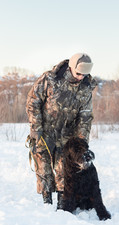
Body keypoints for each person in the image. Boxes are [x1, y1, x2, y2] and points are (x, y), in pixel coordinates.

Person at [26, 53, 97, 208]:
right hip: (44, 132)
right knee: (44, 169)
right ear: (71, 68)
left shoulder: (86, 88)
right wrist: (36, 129)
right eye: (78, 73)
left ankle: (62, 204)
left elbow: (85, 116)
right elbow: (33, 102)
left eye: (84, 74)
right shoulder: (50, 79)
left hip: (67, 136)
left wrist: (81, 142)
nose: (81, 77)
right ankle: (46, 203)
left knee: (64, 170)